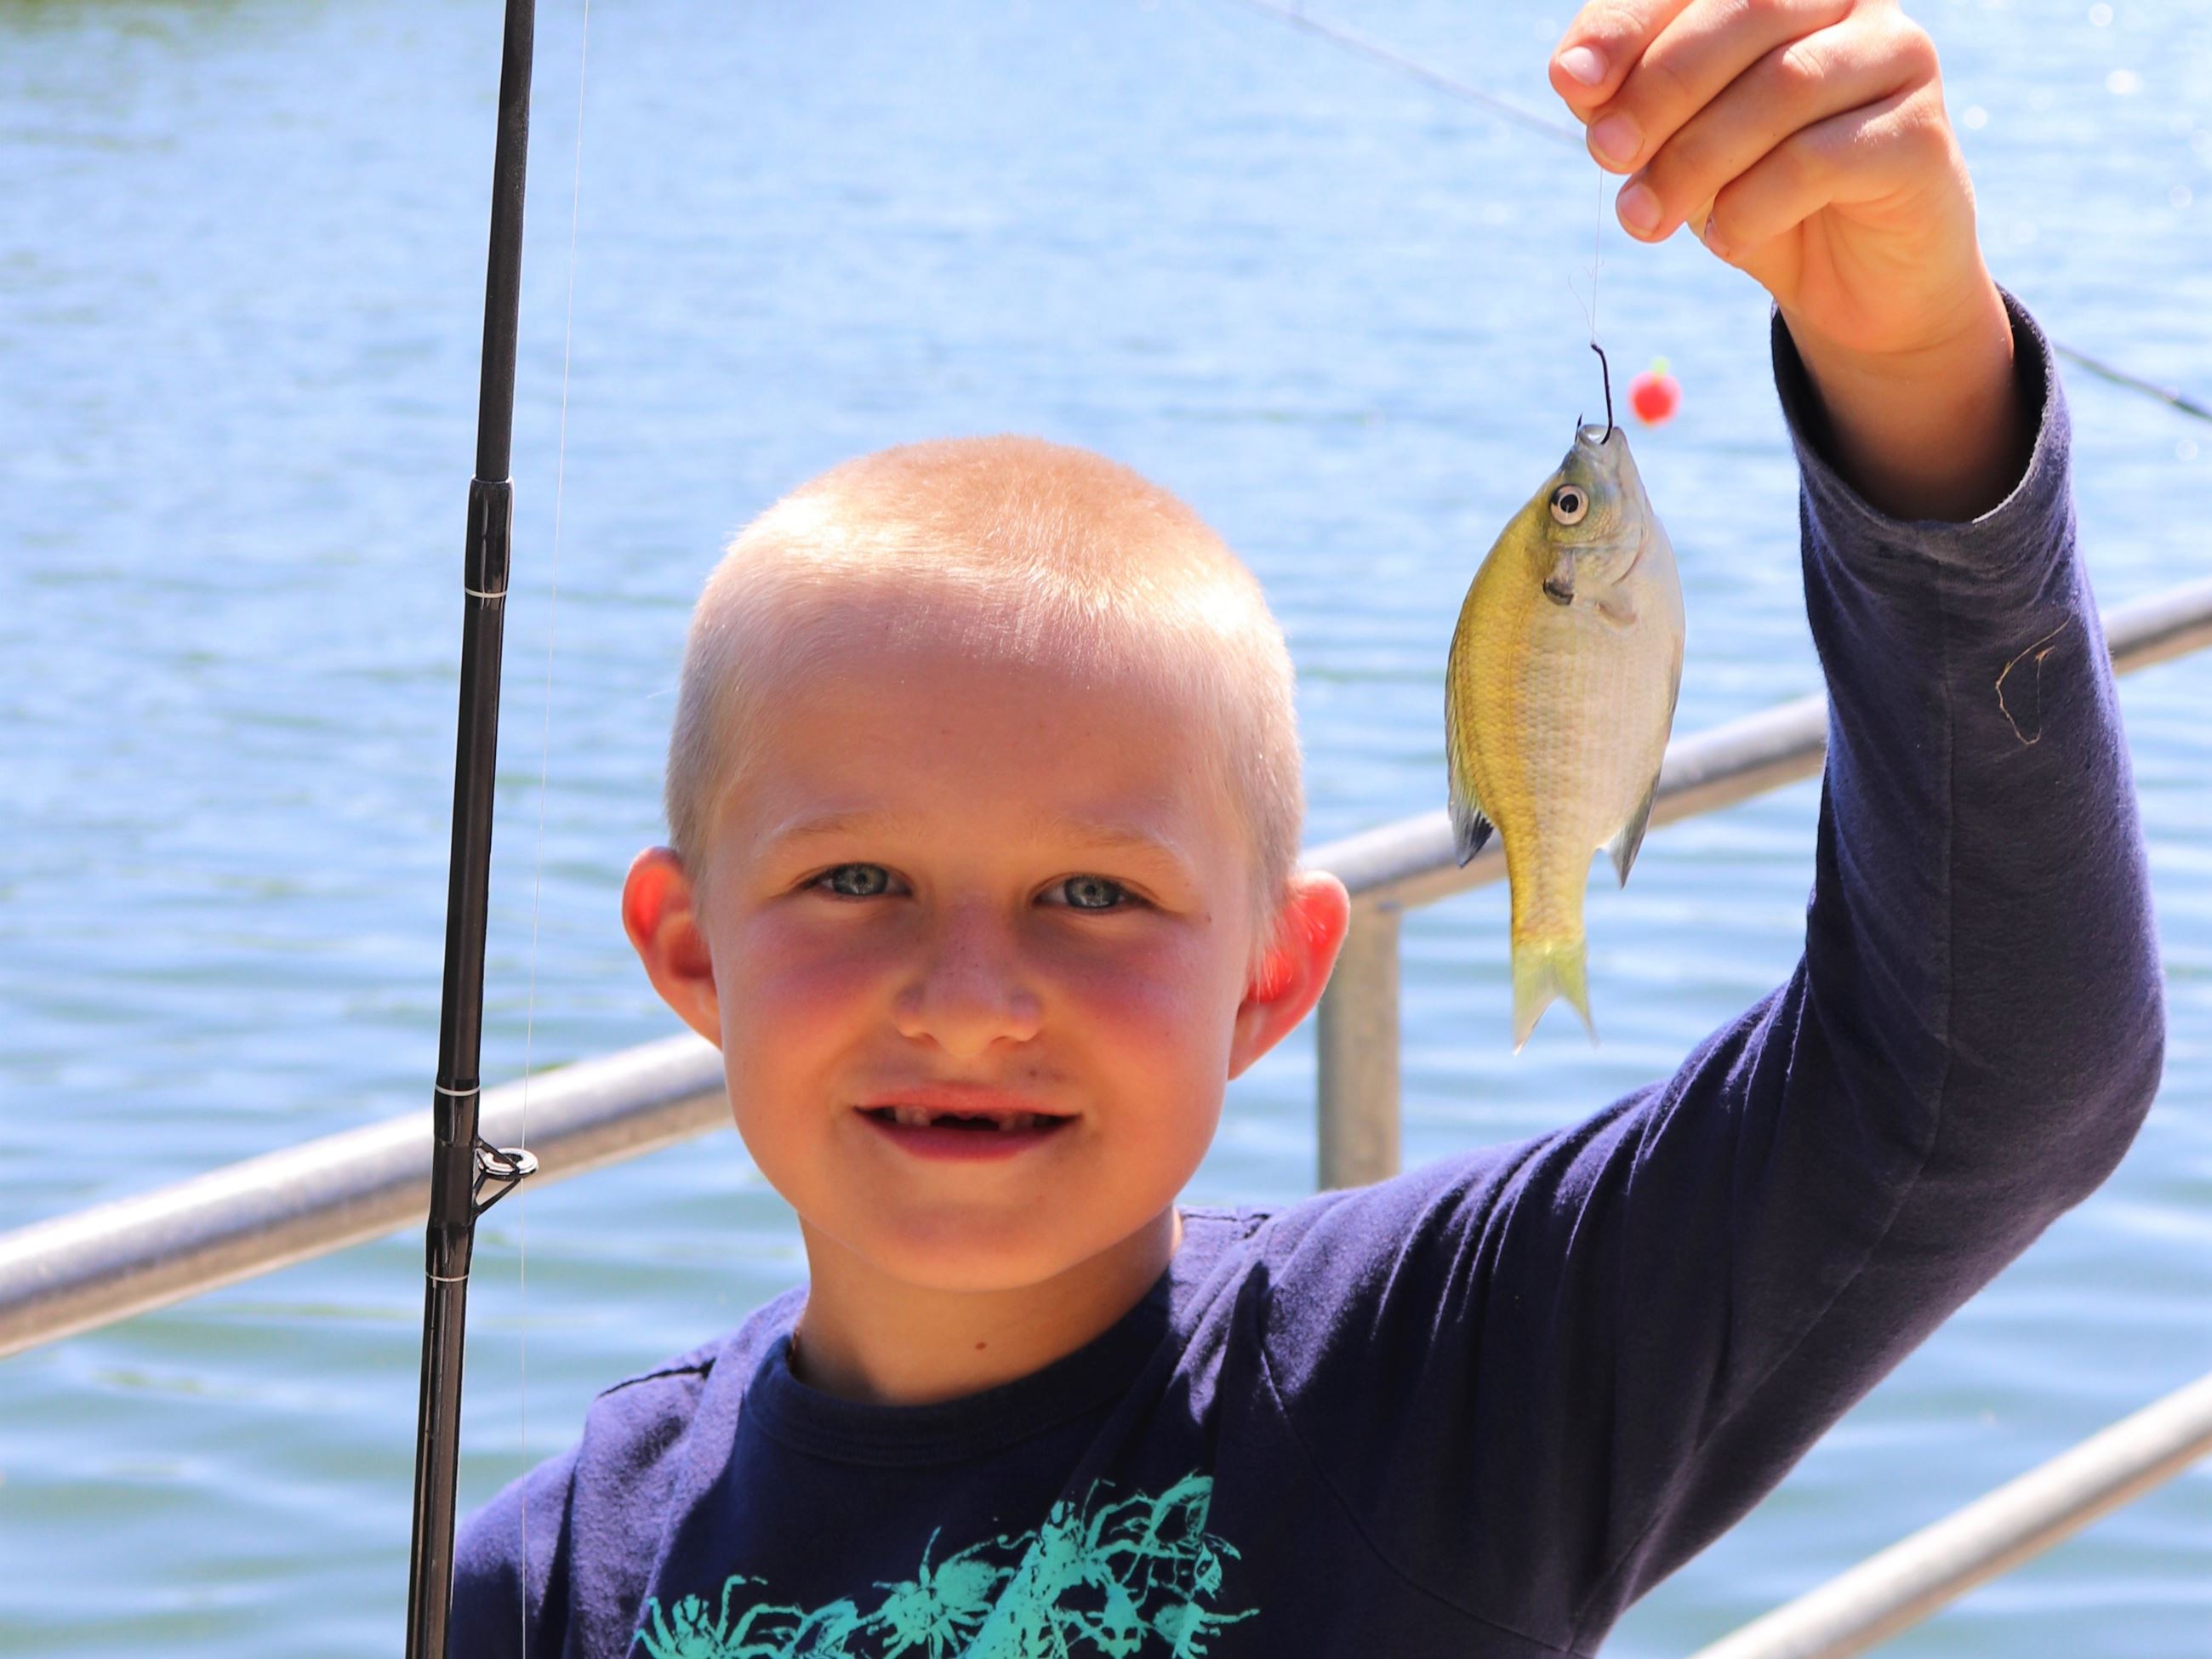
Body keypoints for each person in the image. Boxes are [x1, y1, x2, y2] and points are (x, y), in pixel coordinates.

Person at [452, 1, 2165, 1652]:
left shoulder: (1443, 1387)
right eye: (855, 879)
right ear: (688, 948)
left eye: (1092, 894)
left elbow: (1992, 1076)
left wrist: (1916, 372)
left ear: (1274, 977)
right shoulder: (533, 1587)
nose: (970, 994)